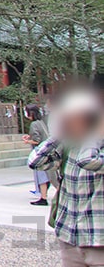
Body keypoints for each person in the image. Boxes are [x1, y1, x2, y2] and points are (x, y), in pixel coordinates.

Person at [29, 87, 103, 267]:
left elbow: (88, 161)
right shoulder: (69, 146)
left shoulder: (95, 147)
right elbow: (35, 161)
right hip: (70, 238)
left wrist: (95, 134)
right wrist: (60, 135)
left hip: (99, 241)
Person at [22, 104, 58, 206]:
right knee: (50, 176)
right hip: (49, 152)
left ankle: (44, 197)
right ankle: (43, 196)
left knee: (43, 177)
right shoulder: (42, 122)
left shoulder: (34, 124)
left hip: (41, 154)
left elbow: (36, 140)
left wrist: (28, 141)